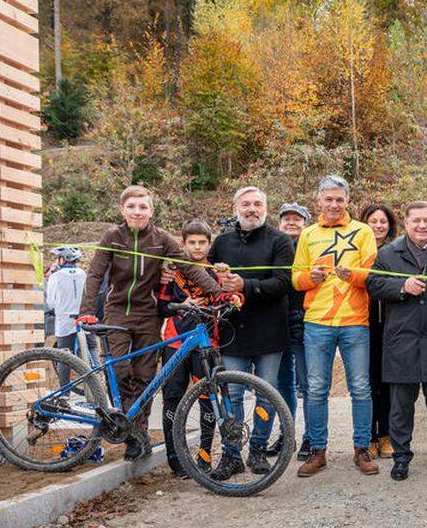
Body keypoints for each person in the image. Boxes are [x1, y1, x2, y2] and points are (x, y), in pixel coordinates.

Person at [76, 185, 229, 461]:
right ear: (122, 209)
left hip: (149, 314)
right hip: (116, 312)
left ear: (151, 210)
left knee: (146, 377)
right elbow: (95, 274)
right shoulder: (113, 235)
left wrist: (220, 292)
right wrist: (87, 310)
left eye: (143, 207)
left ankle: (138, 434)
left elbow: (190, 268)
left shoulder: (162, 239)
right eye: (132, 206)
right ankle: (130, 429)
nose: (137, 211)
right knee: (121, 371)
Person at [367, 201, 427, 481]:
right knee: (401, 405)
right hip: (402, 341)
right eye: (416, 221)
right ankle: (401, 457)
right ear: (406, 223)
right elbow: (373, 285)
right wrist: (401, 287)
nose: (422, 226)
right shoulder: (388, 254)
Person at [292, 175, 380, 478]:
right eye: (328, 199)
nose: (333, 204)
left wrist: (350, 276)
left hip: (355, 320)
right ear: (319, 201)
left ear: (347, 201)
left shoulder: (363, 231)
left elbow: (371, 274)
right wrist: (309, 279)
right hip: (317, 320)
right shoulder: (308, 234)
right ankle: (317, 451)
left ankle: (361, 449)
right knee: (315, 389)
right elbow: (295, 277)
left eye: (339, 199)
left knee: (360, 387)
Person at [208, 186, 295, 479]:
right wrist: (216, 276)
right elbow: (205, 276)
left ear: (266, 209)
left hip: (270, 330)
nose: (252, 209)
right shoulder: (221, 242)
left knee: (266, 395)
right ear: (235, 208)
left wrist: (244, 285)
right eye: (246, 204)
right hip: (233, 331)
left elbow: (283, 283)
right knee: (231, 394)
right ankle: (231, 454)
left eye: (258, 204)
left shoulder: (280, 241)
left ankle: (258, 449)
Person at [156, 220, 220, 477]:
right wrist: (181, 305)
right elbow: (161, 308)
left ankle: (204, 456)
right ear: (182, 244)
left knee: (208, 400)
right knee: (172, 399)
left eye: (201, 242)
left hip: (207, 344)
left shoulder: (215, 273)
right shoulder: (172, 273)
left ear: (209, 244)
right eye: (191, 242)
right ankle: (175, 459)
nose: (196, 247)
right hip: (175, 342)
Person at [361, 202, 399, 460]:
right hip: (362, 321)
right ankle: (369, 437)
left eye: (383, 222)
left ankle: (386, 434)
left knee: (386, 381)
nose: (378, 226)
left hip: (390, 322)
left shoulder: (396, 251)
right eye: (373, 221)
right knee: (367, 382)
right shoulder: (356, 250)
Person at [276, 202, 312, 460]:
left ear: (304, 223)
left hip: (304, 319)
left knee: (308, 383)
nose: (291, 222)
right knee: (282, 383)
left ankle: (311, 437)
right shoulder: (275, 245)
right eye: (286, 218)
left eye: (296, 219)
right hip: (276, 322)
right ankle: (286, 435)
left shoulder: (310, 245)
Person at [45, 246, 86, 383]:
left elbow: (51, 303)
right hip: (84, 319)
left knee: (64, 356)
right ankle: (97, 385)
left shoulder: (55, 276)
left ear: (63, 259)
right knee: (90, 350)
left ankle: (65, 393)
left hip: (65, 322)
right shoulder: (83, 274)